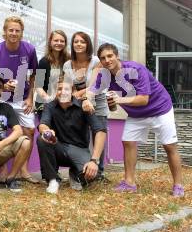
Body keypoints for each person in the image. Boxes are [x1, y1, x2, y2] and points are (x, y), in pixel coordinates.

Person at [92, 43, 184, 197]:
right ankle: (129, 183)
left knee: (169, 147)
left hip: (160, 108)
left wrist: (118, 100)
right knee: (128, 142)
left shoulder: (135, 69)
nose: (107, 60)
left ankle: (178, 185)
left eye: (110, 56)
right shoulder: (104, 75)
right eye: (103, 58)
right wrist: (83, 97)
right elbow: (92, 90)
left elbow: (143, 99)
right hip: (136, 114)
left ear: (117, 56)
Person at [0, 15, 39, 183]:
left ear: (22, 33)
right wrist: (3, 87)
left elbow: (35, 75)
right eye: (11, 30)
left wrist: (30, 98)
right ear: (5, 32)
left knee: (29, 130)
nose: (14, 33)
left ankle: (23, 169)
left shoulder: (29, 49)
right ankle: (2, 168)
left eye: (17, 30)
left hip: (22, 98)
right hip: (1, 98)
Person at [37, 75, 107, 194]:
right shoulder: (50, 106)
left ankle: (75, 172)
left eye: (66, 89)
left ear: (73, 91)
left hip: (79, 150)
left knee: (91, 177)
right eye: (59, 89)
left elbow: (100, 131)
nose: (62, 92)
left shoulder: (83, 105)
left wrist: (94, 161)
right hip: (58, 147)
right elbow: (43, 125)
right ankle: (53, 180)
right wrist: (46, 131)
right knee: (42, 139)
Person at [63, 32, 108, 178]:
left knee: (99, 134)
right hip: (79, 104)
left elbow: (94, 85)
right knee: (83, 135)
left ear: (87, 44)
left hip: (97, 101)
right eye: (76, 41)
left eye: (82, 42)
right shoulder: (67, 64)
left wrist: (77, 93)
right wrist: (75, 94)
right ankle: (82, 168)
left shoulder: (96, 61)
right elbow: (69, 86)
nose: (79, 44)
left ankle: (99, 170)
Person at [35, 30, 70, 181]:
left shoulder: (68, 61)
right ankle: (48, 174)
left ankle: (54, 172)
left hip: (62, 103)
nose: (59, 43)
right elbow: (38, 86)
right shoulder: (44, 61)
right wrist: (49, 99)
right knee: (47, 135)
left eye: (62, 40)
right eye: (56, 40)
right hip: (45, 103)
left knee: (58, 136)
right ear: (50, 42)